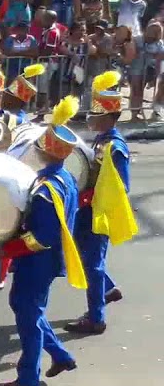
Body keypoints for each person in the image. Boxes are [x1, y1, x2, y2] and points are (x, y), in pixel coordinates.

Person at [0, 96, 84, 386]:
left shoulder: (46, 189)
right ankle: (59, 355)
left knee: (28, 315)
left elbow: (41, 237)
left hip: (38, 261)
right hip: (47, 260)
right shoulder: (66, 178)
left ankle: (28, 379)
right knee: (26, 307)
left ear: (44, 152)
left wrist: (8, 250)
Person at [68, 73, 136, 335]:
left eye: (96, 115)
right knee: (83, 255)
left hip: (99, 212)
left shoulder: (115, 147)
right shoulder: (102, 139)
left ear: (109, 117)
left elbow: (120, 186)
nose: (91, 119)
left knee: (93, 265)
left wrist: (91, 198)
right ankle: (107, 290)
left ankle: (96, 318)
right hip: (87, 209)